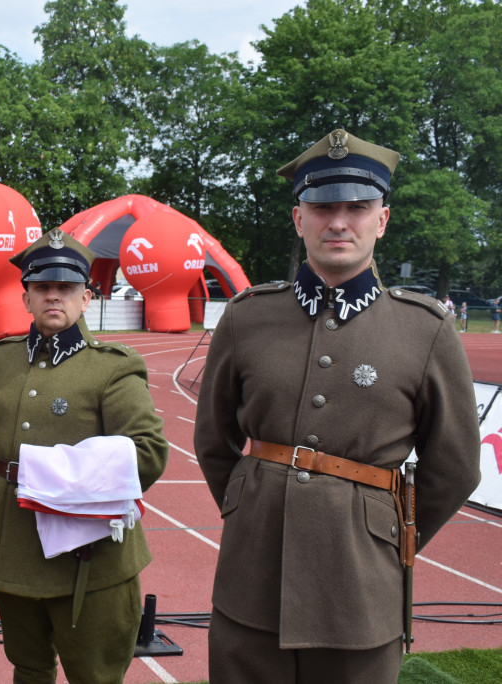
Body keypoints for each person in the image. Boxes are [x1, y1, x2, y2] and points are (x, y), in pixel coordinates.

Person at [194, 129, 481, 684]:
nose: (339, 222)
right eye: (323, 207)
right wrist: (250, 507)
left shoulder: (424, 330)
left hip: (361, 587)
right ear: (299, 218)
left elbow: (456, 465)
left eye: (358, 207)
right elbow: (213, 441)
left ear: (383, 219)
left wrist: (384, 536)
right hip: (252, 574)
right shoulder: (247, 317)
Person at [0, 228, 168, 684]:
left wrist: (56, 478)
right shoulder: (2, 358)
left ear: (86, 298)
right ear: (26, 298)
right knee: (29, 666)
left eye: (66, 288)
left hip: (89, 552)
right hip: (13, 540)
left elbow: (150, 453)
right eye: (42, 287)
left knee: (93, 674)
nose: (53, 296)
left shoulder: (112, 366)